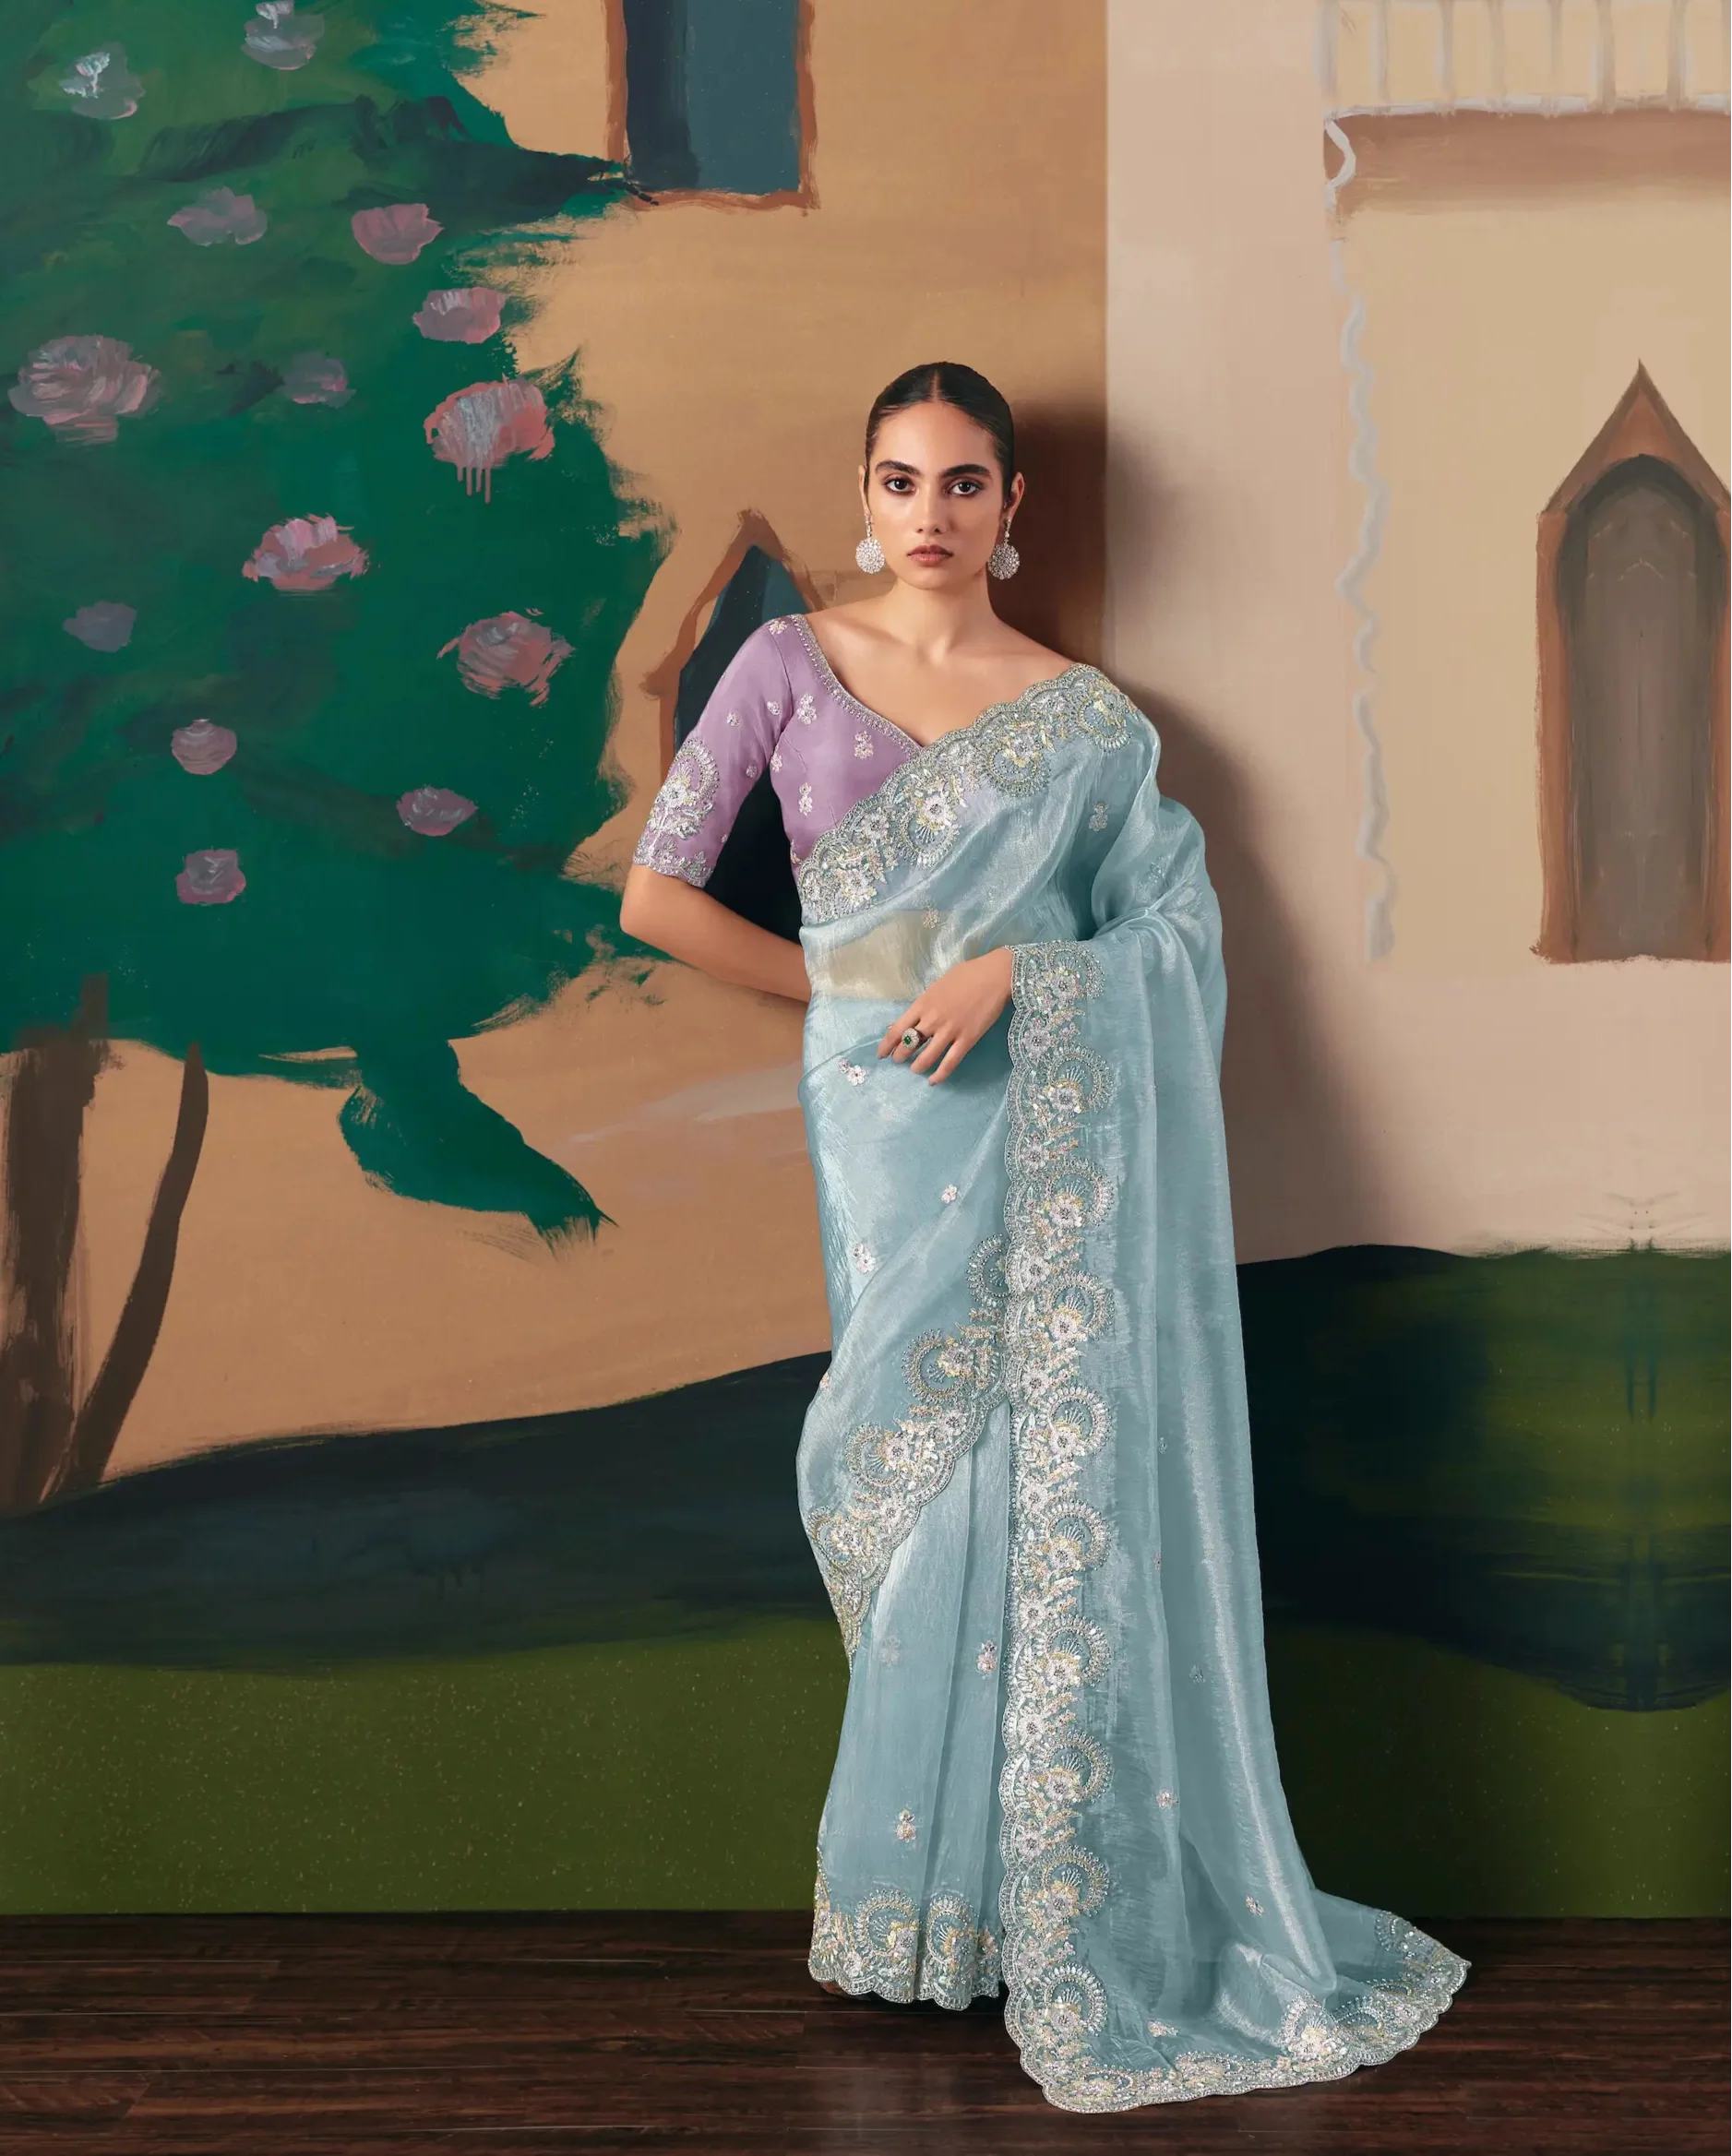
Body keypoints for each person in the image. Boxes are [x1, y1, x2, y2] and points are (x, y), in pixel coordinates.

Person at [619, 362, 1466, 2114]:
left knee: (1036, 1481)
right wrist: (841, 996)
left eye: (964, 483)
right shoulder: (785, 665)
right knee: (909, 1477)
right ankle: (921, 1912)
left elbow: (1175, 938)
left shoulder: (1087, 725)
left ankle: (1030, 1907)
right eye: (901, 479)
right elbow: (655, 892)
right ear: (864, 494)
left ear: (1015, 507)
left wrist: (1025, 971)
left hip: (1045, 1124)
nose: (930, 513)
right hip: (884, 1119)